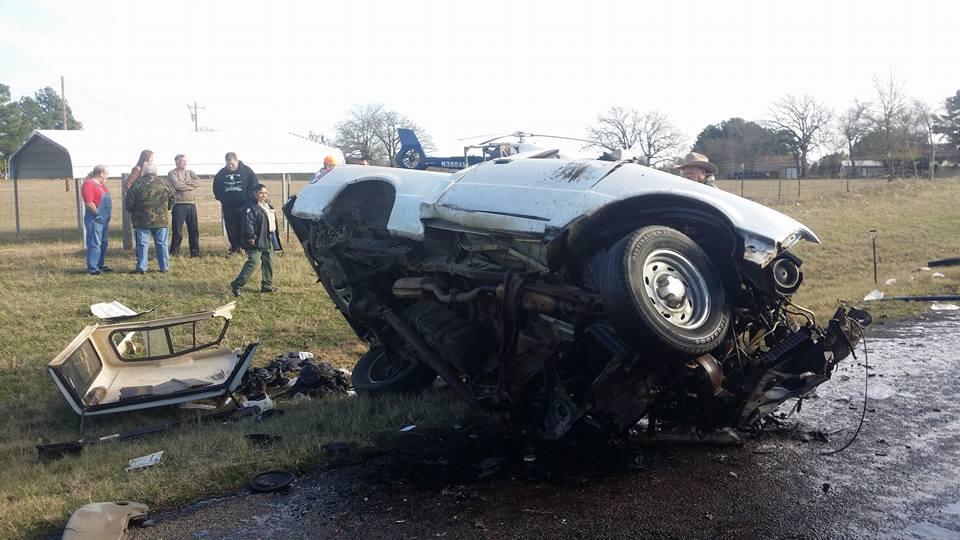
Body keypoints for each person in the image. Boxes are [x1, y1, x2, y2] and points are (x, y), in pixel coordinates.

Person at [230, 184, 280, 296]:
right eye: (261, 193)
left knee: (269, 262)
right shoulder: (250, 207)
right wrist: (251, 237)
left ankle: (267, 286)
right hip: (256, 239)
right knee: (253, 262)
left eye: (265, 193)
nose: (264, 195)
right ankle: (237, 284)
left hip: (269, 237)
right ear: (254, 194)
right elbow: (248, 223)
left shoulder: (267, 205)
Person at [124, 161, 174, 274]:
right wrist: (165, 210)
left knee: (142, 244)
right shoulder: (165, 183)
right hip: (161, 220)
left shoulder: (137, 184)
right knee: (162, 244)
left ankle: (141, 268)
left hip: (141, 220)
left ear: (143, 171)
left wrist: (134, 212)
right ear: (155, 171)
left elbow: (129, 202)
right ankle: (164, 267)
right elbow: (173, 198)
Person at [213, 152, 258, 254]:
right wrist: (222, 198)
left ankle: (247, 246)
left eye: (232, 163)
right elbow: (216, 188)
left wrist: (249, 199)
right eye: (228, 164)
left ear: (237, 161)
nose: (230, 166)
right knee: (231, 227)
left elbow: (254, 185)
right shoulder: (221, 173)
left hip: (244, 205)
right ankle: (235, 247)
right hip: (228, 206)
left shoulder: (247, 171)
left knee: (246, 226)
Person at [166, 154, 202, 257]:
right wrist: (191, 186)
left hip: (191, 204)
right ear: (176, 162)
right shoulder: (172, 173)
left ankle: (195, 253)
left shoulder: (190, 172)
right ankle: (174, 252)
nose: (185, 163)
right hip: (179, 205)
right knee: (177, 230)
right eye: (182, 161)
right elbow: (177, 185)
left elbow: (199, 182)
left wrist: (187, 183)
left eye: (186, 161)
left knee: (194, 230)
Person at [81, 164, 112, 275]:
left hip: (104, 219)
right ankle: (93, 268)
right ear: (101, 173)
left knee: (103, 243)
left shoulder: (102, 185)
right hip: (94, 218)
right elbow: (89, 202)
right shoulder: (89, 184)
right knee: (94, 243)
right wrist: (98, 214)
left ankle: (100, 264)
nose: (108, 175)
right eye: (107, 173)